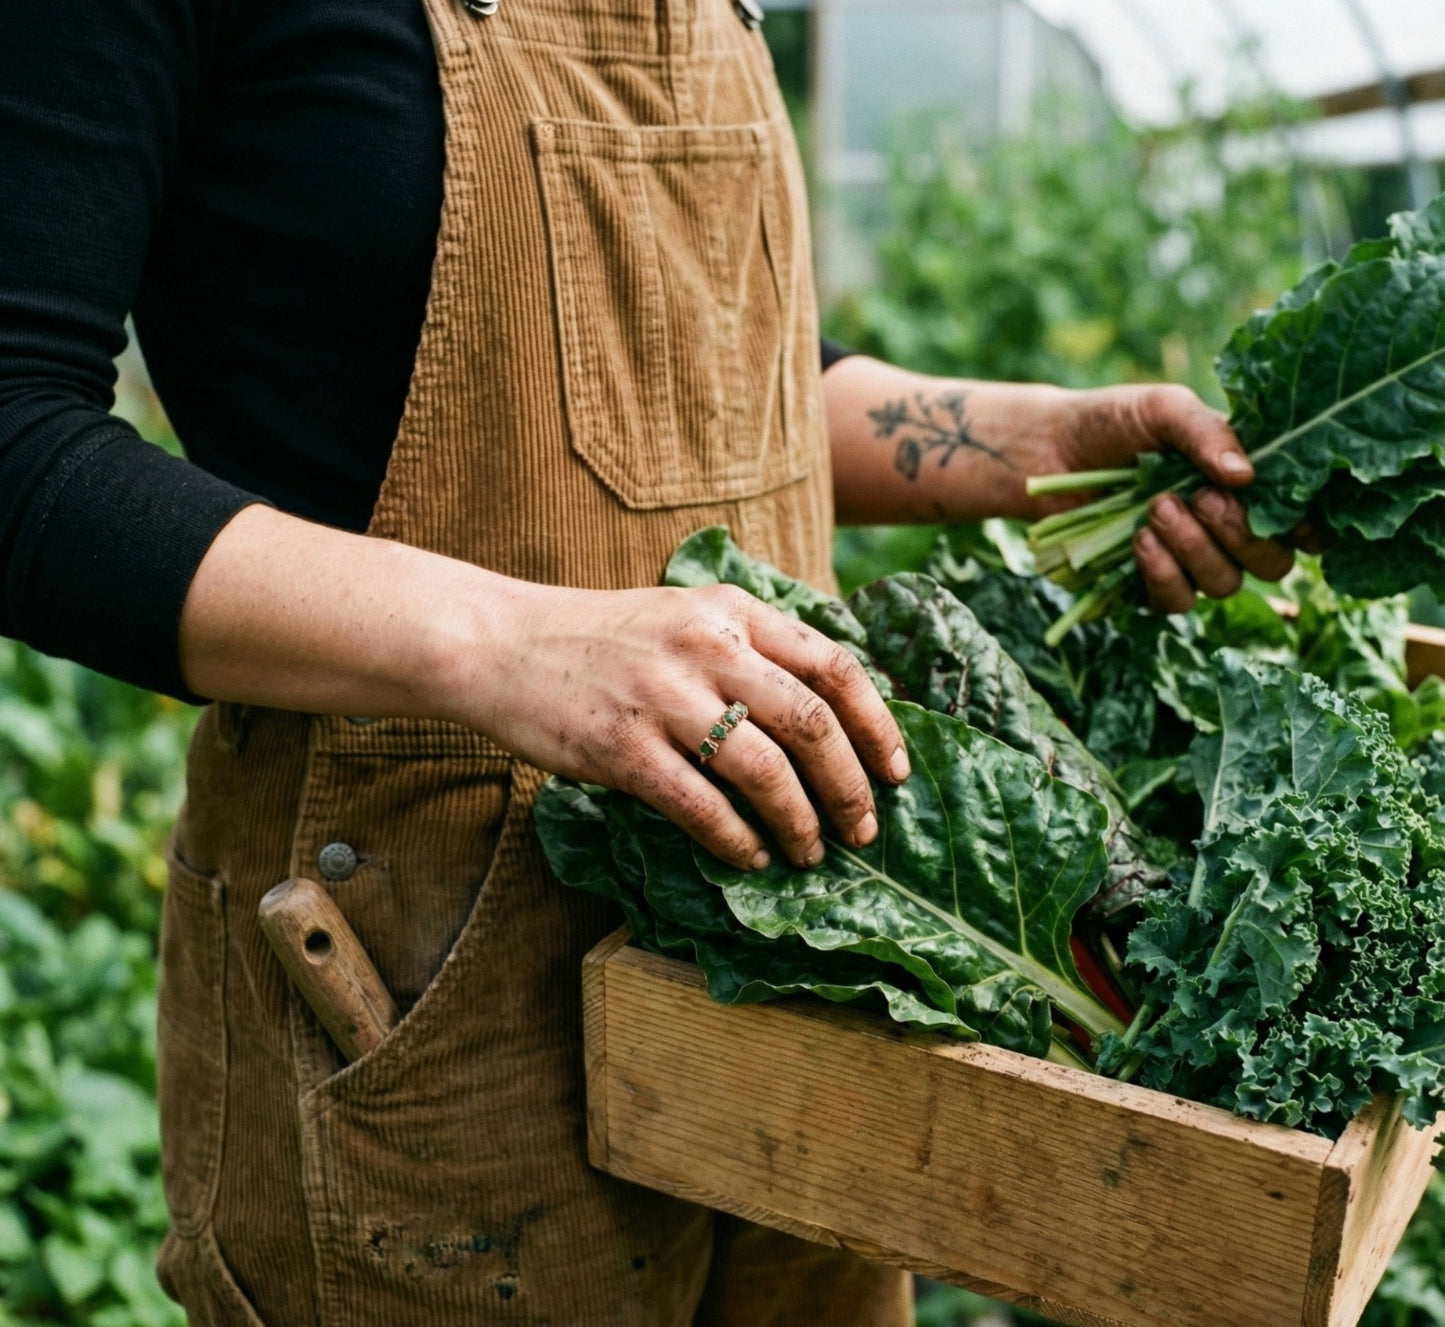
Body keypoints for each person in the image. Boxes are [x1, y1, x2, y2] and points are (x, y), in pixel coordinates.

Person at [0, 0, 1296, 1323]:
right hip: (429, 1003)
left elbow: (707, 374)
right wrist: (516, 637)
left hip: (807, 962)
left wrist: (1022, 443)